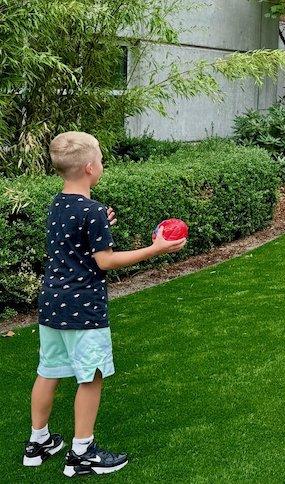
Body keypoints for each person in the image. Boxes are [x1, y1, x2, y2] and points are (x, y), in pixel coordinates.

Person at [23, 132, 186, 477]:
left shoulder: (59, 204)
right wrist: (156, 249)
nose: (102, 164)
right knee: (91, 375)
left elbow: (73, 239)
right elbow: (105, 261)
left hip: (51, 302)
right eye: (100, 159)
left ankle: (38, 443)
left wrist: (99, 222)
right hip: (83, 307)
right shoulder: (92, 211)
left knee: (48, 370)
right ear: (89, 168)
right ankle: (82, 454)